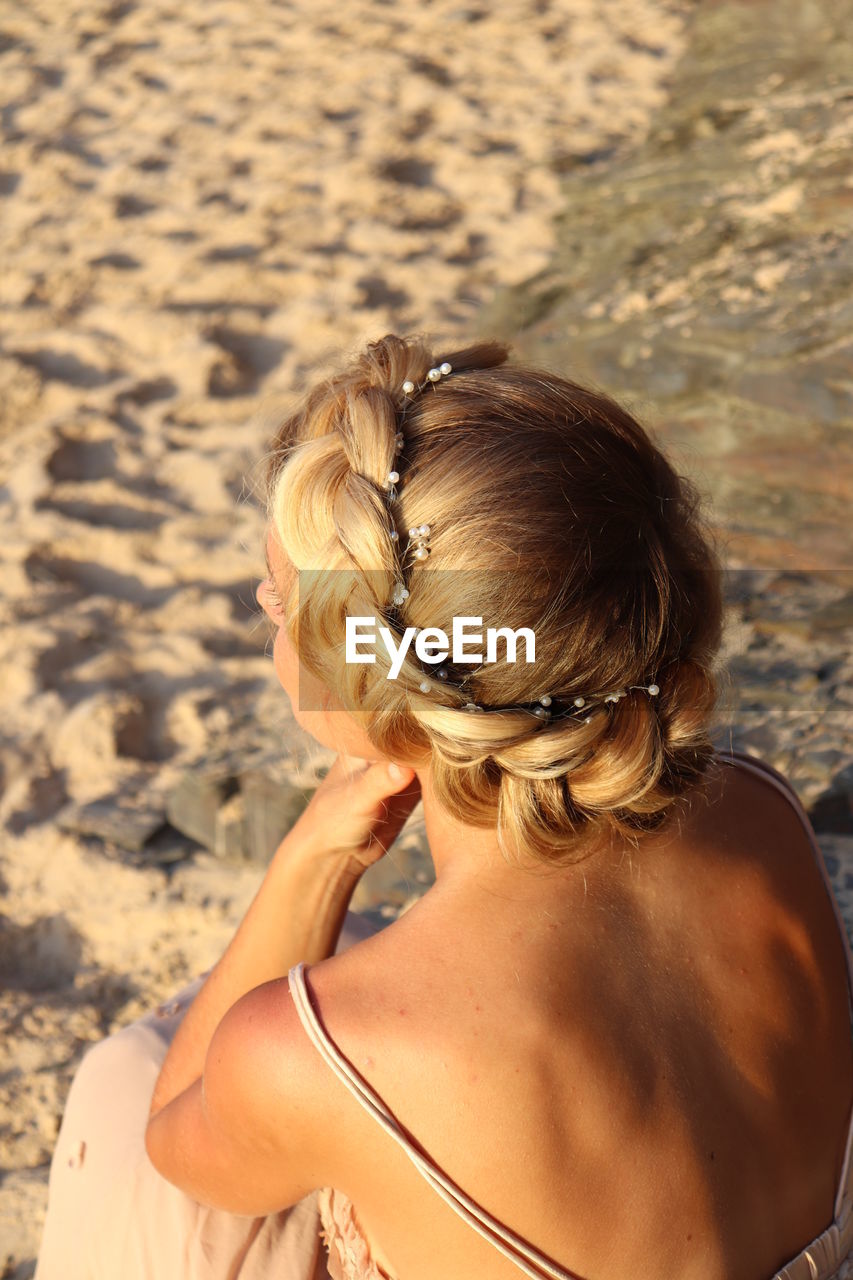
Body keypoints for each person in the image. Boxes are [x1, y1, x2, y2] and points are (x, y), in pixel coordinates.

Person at [36, 335, 853, 1280]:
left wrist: (315, 862)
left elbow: (177, 1150)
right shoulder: (757, 809)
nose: (269, 611)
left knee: (122, 1081)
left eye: (278, 600)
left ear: (371, 675)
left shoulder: (331, 1045)